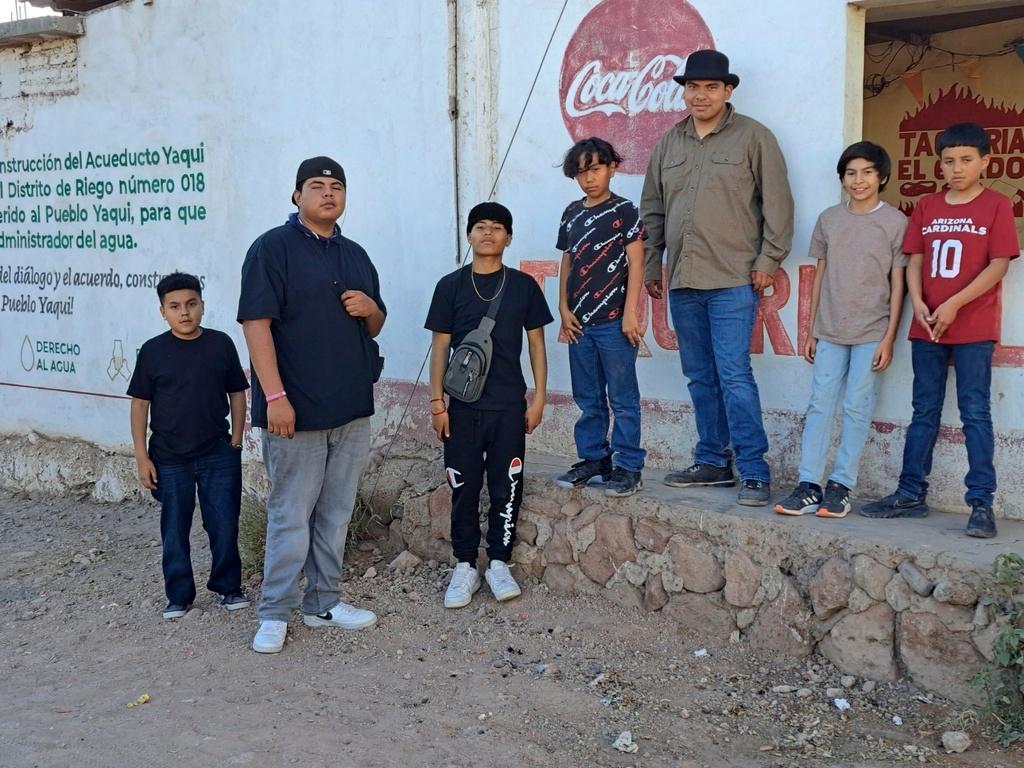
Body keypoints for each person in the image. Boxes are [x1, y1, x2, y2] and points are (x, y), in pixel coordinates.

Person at [238, 156, 386, 653]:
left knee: (336, 512)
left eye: (336, 186)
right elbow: (256, 325)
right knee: (289, 514)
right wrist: (275, 398)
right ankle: (275, 611)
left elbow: (375, 325)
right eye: (317, 186)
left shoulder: (355, 254)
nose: (328, 193)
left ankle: (324, 601)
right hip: (293, 412)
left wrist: (372, 309)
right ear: (296, 195)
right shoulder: (272, 249)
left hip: (350, 408)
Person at [640, 49, 794, 506]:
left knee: (733, 375)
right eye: (692, 87)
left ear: (728, 91)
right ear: (683, 92)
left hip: (732, 280)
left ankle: (752, 470)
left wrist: (769, 259)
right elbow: (652, 209)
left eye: (710, 87)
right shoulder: (669, 143)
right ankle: (712, 461)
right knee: (699, 376)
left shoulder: (754, 138)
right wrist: (652, 264)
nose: (700, 95)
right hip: (684, 280)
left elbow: (779, 206)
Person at [861, 123, 1020, 538]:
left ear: (986, 161)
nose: (956, 168)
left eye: (966, 160)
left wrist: (954, 303)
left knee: (974, 412)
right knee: (923, 411)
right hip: (927, 325)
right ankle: (910, 492)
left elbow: (999, 264)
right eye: (949, 161)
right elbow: (913, 259)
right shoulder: (927, 206)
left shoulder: (997, 205)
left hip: (973, 325)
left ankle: (981, 501)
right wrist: (920, 302)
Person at [425, 202, 553, 609]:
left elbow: (536, 343)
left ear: (509, 237)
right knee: (462, 487)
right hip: (461, 408)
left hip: (508, 406)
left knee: (507, 486)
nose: (488, 234)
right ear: (468, 235)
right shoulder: (450, 286)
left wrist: (539, 397)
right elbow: (440, 346)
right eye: (480, 227)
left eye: (497, 228)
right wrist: (436, 404)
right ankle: (464, 565)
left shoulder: (523, 287)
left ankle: (499, 562)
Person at [774, 142, 907, 518]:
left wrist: (888, 338)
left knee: (856, 407)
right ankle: (808, 484)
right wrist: (811, 329)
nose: (859, 180)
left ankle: (841, 485)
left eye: (867, 172)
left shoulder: (895, 222)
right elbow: (820, 275)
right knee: (819, 405)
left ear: (882, 177)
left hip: (871, 332)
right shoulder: (829, 219)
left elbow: (899, 284)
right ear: (842, 179)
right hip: (830, 330)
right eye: (851, 173)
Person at [128, 271, 250, 620]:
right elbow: (140, 404)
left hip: (218, 453)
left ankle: (229, 588)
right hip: (168, 458)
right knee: (174, 528)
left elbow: (237, 393)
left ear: (202, 306)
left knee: (224, 522)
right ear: (163, 311)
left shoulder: (220, 344)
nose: (185, 313)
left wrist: (236, 440)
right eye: (175, 306)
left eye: (192, 304)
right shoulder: (153, 351)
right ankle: (178, 596)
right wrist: (141, 456)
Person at [554, 137, 646, 497]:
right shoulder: (571, 213)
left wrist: (629, 315)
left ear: (611, 167)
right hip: (579, 323)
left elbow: (636, 262)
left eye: (595, 168)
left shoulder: (624, 211)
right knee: (588, 397)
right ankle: (595, 458)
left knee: (623, 398)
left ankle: (628, 466)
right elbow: (568, 261)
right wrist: (563, 308)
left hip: (613, 322)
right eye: (581, 172)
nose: (589, 178)